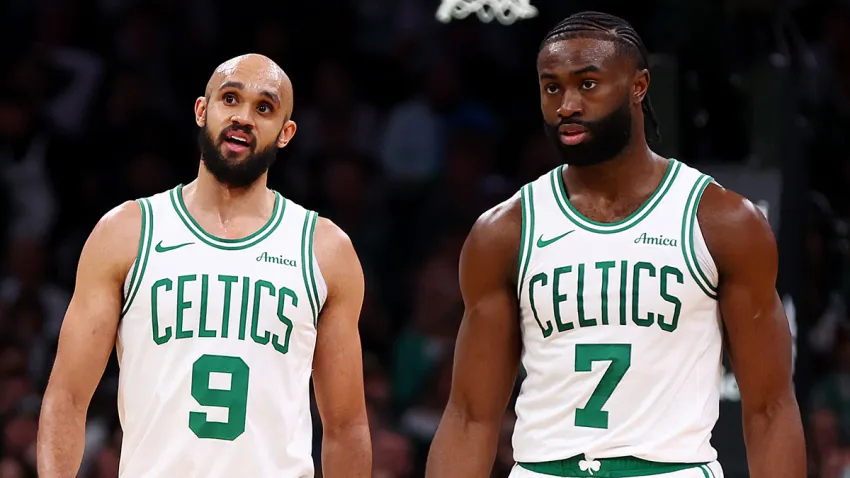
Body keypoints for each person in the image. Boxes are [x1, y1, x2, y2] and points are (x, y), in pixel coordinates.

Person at [425, 11, 805, 478]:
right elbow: (469, 416)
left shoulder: (722, 221)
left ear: (638, 87)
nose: (566, 104)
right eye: (551, 87)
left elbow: (770, 408)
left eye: (587, 84)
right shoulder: (505, 230)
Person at [36, 54, 372, 478]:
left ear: (286, 134)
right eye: (230, 98)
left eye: (264, 108)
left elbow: (346, 426)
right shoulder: (127, 232)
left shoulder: (325, 249)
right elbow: (66, 398)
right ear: (202, 109)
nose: (244, 117)